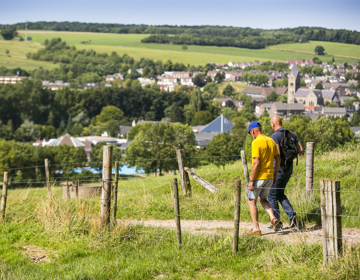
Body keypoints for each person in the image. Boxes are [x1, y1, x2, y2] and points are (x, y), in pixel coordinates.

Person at [267, 116, 304, 230]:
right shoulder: (292, 134)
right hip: (288, 170)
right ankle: (292, 216)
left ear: (273, 124)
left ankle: (277, 223)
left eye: (271, 124)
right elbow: (301, 149)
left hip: (278, 170)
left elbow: (277, 154)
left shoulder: (275, 136)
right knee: (280, 194)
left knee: (272, 196)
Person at [246, 121, 281, 235]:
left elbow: (256, 162)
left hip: (259, 177)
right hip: (269, 177)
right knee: (263, 199)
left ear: (253, 131)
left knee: (251, 201)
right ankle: (273, 218)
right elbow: (278, 159)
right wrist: (275, 174)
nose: (251, 135)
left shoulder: (256, 142)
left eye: (250, 133)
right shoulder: (271, 141)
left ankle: (256, 228)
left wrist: (251, 180)